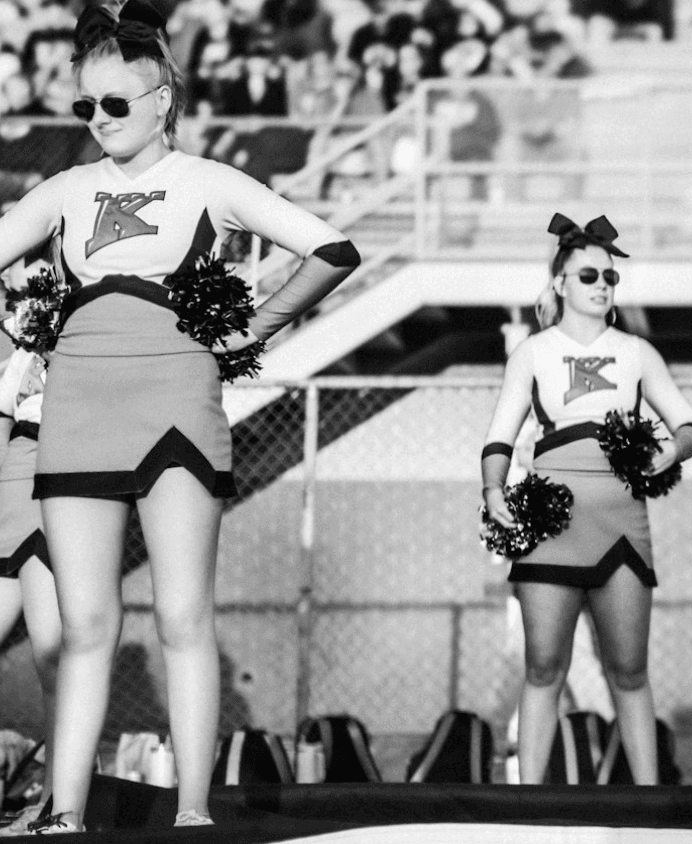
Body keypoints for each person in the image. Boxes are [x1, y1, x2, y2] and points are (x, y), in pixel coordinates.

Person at [0, 3, 360, 831]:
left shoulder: (210, 182)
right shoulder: (66, 190)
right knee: (85, 627)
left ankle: (193, 813)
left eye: (115, 105)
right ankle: (66, 815)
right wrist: (18, 332)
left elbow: (332, 251)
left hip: (176, 405)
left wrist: (254, 327)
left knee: (182, 614)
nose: (96, 122)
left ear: (164, 98)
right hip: (76, 407)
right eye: (84, 106)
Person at [481, 214, 692, 786]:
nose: (601, 284)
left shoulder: (636, 351)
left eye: (609, 276)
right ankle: (528, 802)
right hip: (551, 518)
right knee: (543, 666)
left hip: (622, 521)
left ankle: (649, 801)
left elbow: (689, 425)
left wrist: (670, 453)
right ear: (559, 283)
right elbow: (500, 437)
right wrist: (492, 488)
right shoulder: (532, 353)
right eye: (587, 275)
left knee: (628, 670)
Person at [0, 343, 55, 836]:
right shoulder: (23, 346)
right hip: (10, 495)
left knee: (55, 659)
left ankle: (58, 802)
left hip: (58, 490)